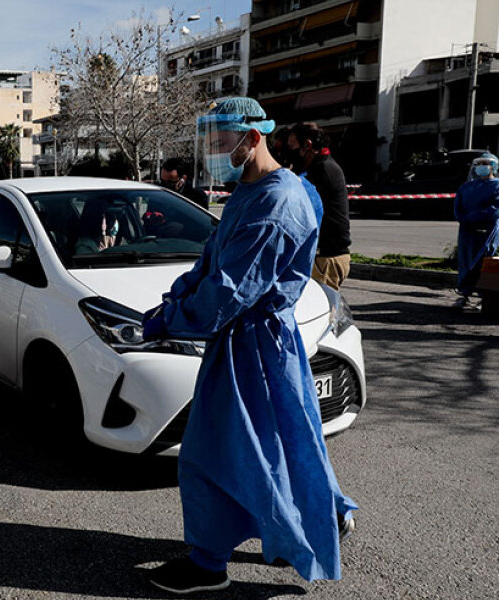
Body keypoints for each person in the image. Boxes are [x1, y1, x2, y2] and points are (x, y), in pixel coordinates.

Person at [141, 98, 356, 595]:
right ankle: (315, 520)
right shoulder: (250, 190)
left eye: (221, 143)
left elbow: (231, 290)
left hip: (255, 344)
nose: (214, 154)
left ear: (253, 137)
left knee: (214, 454)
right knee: (282, 445)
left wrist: (174, 318)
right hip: (251, 342)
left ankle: (208, 565)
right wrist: (176, 296)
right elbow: (213, 259)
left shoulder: (279, 203)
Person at [288, 123, 352, 290]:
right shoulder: (324, 165)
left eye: (292, 147)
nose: (290, 154)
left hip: (325, 259)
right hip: (327, 257)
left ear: (307, 146)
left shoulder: (321, 171)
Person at [452, 152, 499, 311]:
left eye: (485, 163)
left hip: (488, 228)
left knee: (484, 260)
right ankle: (464, 294)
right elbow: (458, 206)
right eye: (479, 164)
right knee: (466, 259)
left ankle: (483, 296)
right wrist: (463, 218)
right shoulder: (467, 187)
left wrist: (476, 216)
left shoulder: (497, 186)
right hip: (467, 230)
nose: (481, 167)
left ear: (493, 166)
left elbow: (495, 208)